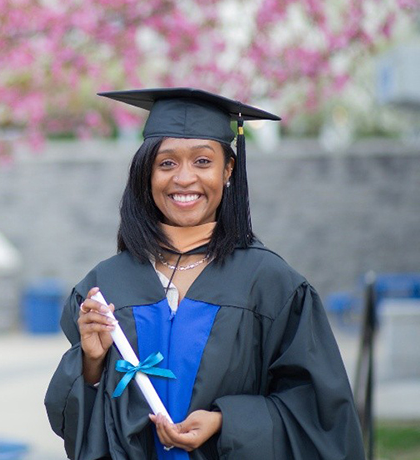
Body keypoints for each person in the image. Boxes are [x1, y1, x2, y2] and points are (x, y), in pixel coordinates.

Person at [44, 88, 365, 460]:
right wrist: (91, 364)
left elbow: (320, 415)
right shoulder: (107, 283)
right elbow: (71, 423)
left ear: (227, 169)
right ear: (146, 173)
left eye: (202, 161)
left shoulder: (271, 284)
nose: (184, 179)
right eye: (166, 164)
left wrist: (226, 421)